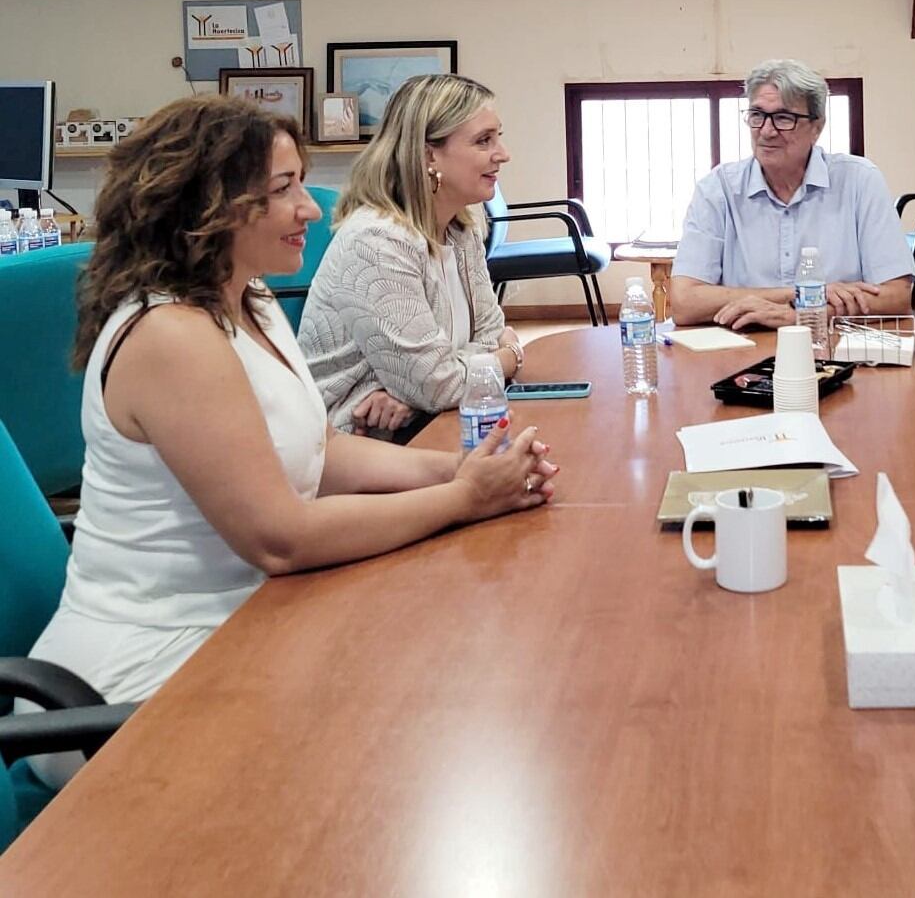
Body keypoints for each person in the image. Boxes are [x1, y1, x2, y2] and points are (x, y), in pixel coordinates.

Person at [26, 95, 557, 788]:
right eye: (283, 189)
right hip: (141, 677)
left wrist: (453, 466)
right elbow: (280, 537)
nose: (311, 208)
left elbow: (320, 451)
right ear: (208, 206)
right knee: (400, 731)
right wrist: (461, 498)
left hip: (246, 623)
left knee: (436, 672)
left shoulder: (247, 299)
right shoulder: (169, 336)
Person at [300, 74, 526, 438]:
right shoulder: (376, 241)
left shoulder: (461, 227)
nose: (503, 153)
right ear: (427, 154)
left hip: (427, 422)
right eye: (484, 141)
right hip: (348, 445)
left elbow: (488, 333)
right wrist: (510, 358)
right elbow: (443, 383)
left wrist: (417, 393)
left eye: (498, 137)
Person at [670, 59, 915, 330]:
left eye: (784, 118)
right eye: (757, 115)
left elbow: (897, 296)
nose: (766, 131)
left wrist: (800, 317)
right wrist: (801, 295)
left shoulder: (859, 180)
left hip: (831, 344)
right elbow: (684, 302)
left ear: (817, 127)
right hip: (740, 346)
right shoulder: (718, 188)